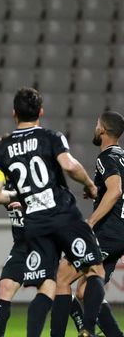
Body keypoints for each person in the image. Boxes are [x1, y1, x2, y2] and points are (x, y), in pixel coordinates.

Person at [0, 87, 105, 337]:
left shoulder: (2, 149)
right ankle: (87, 329)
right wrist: (90, 185)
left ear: (13, 113)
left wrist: (21, 195)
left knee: (47, 286)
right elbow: (69, 166)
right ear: (41, 111)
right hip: (63, 215)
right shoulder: (51, 137)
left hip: (35, 223)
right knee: (94, 270)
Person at [50, 111, 124, 337]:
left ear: (102, 130)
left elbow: (116, 190)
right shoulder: (122, 156)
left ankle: (81, 331)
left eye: (96, 125)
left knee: (62, 276)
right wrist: (98, 194)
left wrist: (90, 221)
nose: (95, 128)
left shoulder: (106, 158)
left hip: (108, 231)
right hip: (120, 233)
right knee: (85, 291)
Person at [0, 181, 27, 337]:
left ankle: (85, 328)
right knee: (5, 287)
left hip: (43, 246)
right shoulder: (8, 188)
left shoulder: (37, 182)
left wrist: (27, 205)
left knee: (59, 290)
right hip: (20, 248)